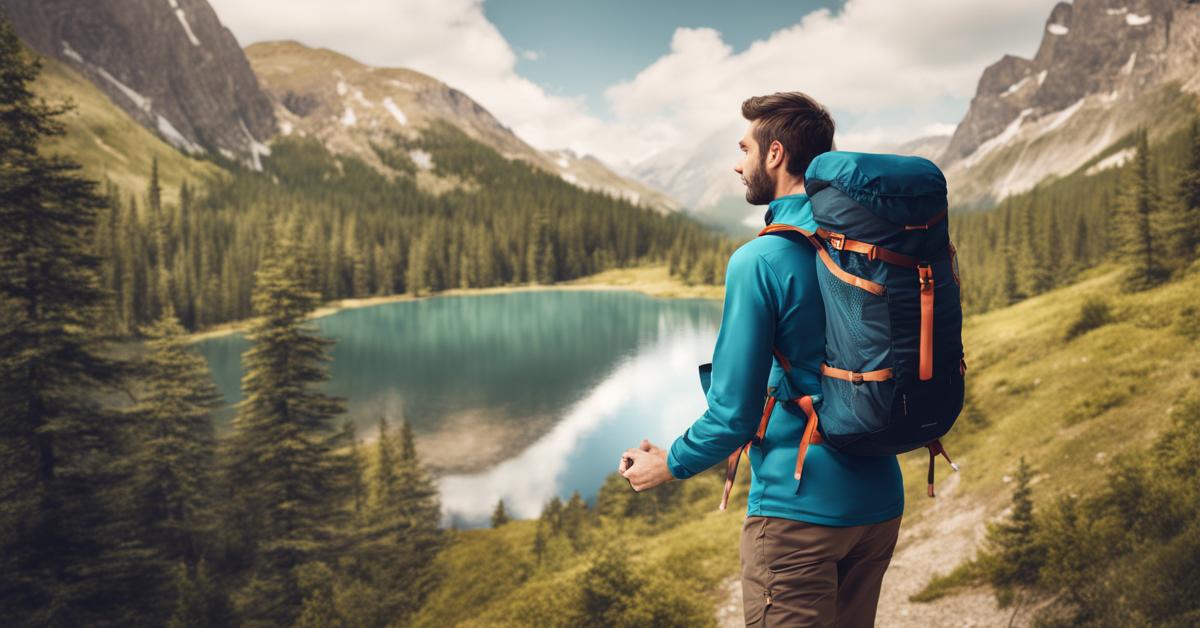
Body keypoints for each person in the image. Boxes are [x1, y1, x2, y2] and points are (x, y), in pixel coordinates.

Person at [618, 92, 904, 627]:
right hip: (879, 504)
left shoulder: (760, 259)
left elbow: (734, 414)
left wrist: (670, 462)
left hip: (800, 516)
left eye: (743, 147)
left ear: (774, 154)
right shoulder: (865, 243)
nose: (737, 162)